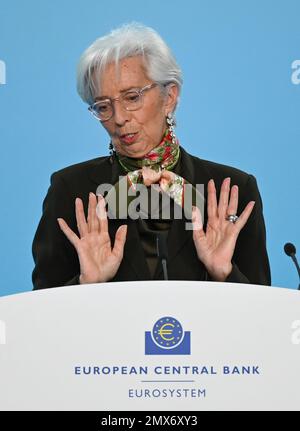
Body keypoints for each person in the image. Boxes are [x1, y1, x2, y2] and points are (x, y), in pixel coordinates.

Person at [32, 23, 271, 290]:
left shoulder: (234, 189)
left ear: (169, 96)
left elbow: (261, 317)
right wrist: (86, 283)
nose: (119, 118)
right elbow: (41, 311)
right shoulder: (70, 190)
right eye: (103, 106)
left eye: (132, 97)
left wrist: (225, 273)